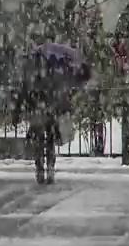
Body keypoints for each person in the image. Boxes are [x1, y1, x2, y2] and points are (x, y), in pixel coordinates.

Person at [12, 42, 91, 184]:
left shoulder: (31, 69)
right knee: (49, 140)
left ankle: (41, 168)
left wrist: (18, 111)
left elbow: (23, 90)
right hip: (49, 109)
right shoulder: (54, 68)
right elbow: (58, 90)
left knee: (40, 140)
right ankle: (48, 168)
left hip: (38, 109)